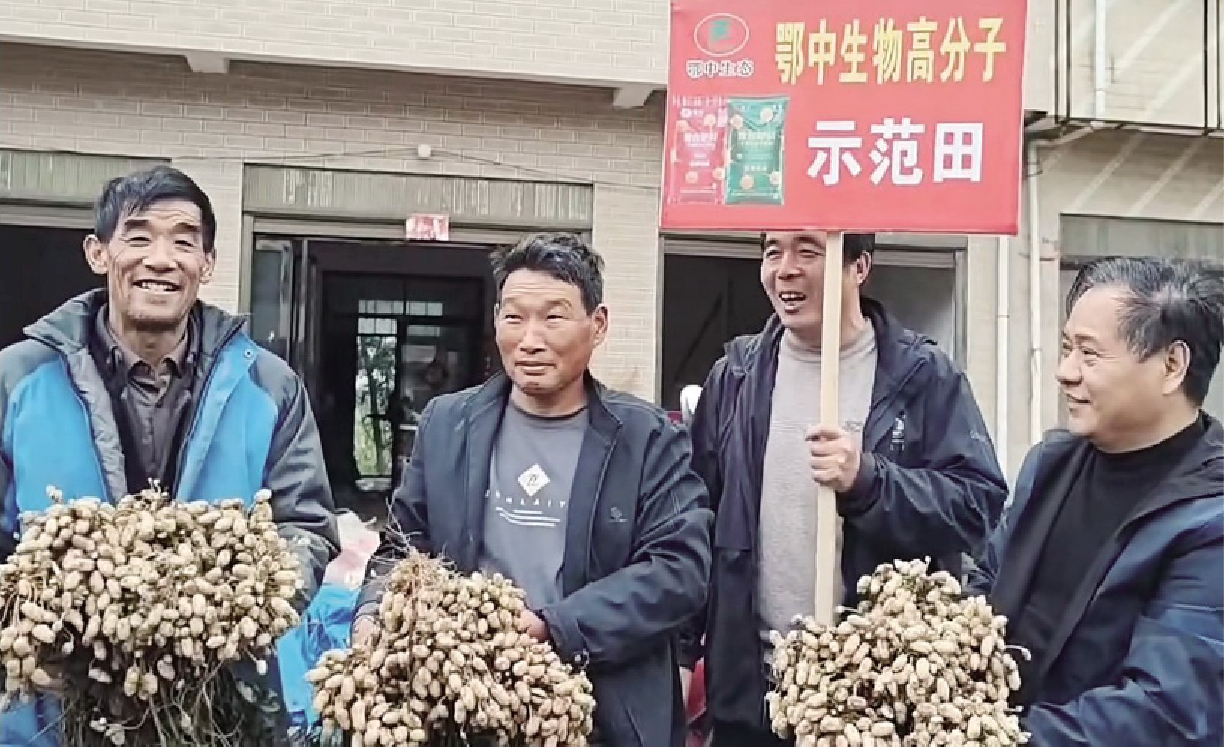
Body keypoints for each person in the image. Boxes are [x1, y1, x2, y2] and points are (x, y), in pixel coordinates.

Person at [0, 165, 340, 745]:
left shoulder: (269, 385)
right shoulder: (18, 378)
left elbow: (305, 524)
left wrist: (237, 613)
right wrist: (38, 628)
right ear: (98, 253)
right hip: (52, 711)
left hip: (220, 703)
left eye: (184, 242)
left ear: (207, 263)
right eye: (138, 236)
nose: (160, 259)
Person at [354, 232, 712, 747]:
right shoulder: (448, 423)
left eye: (553, 317)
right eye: (515, 317)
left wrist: (554, 626)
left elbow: (680, 570)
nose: (530, 339)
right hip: (465, 707)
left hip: (600, 715)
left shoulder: (648, 438)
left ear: (598, 324)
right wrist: (372, 613)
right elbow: (403, 545)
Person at [684, 230, 1008, 746]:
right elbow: (695, 527)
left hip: (875, 699)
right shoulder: (736, 377)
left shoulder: (922, 375)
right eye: (773, 251)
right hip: (752, 697)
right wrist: (684, 658)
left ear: (859, 267)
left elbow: (977, 506)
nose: (785, 269)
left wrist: (869, 481)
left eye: (808, 251)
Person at [969, 256, 1223, 746]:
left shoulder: (1210, 516)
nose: (1065, 372)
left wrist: (989, 738)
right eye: (1067, 348)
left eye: (1089, 354)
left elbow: (1167, 711)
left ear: (1172, 366)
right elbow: (985, 586)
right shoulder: (1050, 465)